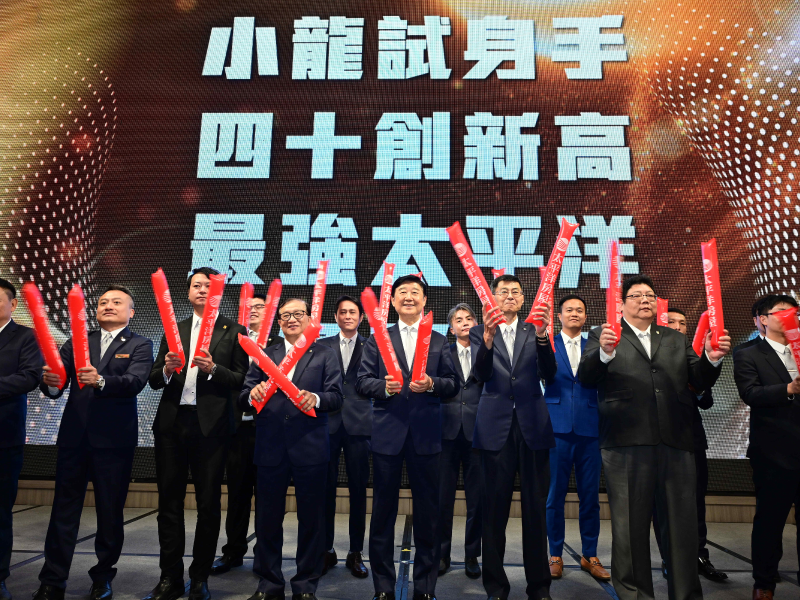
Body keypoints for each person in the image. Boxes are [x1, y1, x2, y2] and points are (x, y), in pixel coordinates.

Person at [578, 274, 730, 600]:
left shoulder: (674, 338)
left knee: (681, 527)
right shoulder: (604, 334)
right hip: (625, 442)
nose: (644, 300)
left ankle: (685, 594)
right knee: (629, 527)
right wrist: (604, 353)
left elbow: (698, 379)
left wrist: (712, 358)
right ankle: (635, 594)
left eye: (649, 295)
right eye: (636, 295)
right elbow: (586, 377)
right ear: (621, 304)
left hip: (676, 440)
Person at [33, 286, 153, 600]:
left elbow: (135, 382)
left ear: (131, 312)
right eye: (102, 302)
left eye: (117, 302)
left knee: (109, 513)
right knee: (63, 511)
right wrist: (51, 383)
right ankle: (52, 580)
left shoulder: (140, 344)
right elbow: (57, 385)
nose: (108, 306)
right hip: (74, 439)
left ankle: (103, 577)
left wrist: (100, 381)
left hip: (114, 442)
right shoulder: (78, 341)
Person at [145, 267, 249, 600]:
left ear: (219, 292)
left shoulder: (234, 331)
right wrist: (166, 368)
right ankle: (169, 578)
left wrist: (214, 369)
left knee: (208, 504)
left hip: (211, 428)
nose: (202, 290)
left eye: (209, 285)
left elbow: (241, 379)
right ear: (188, 292)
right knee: (169, 503)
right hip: (172, 425)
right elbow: (154, 379)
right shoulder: (175, 328)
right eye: (196, 285)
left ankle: (200, 578)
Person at [357, 275, 458, 600]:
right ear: (392, 300)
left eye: (415, 292)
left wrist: (431, 384)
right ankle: (383, 588)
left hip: (427, 436)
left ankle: (425, 588)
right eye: (402, 292)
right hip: (388, 435)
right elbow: (362, 381)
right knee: (382, 514)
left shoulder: (439, 340)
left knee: (428, 515)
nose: (409, 297)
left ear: (425, 300)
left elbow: (452, 383)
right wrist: (384, 388)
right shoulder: (379, 338)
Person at [241, 298, 342, 600]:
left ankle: (306, 585)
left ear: (309, 319)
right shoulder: (265, 353)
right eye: (285, 315)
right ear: (278, 321)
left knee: (311, 519)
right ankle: (269, 584)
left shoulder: (325, 353)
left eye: (298, 314)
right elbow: (244, 393)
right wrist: (252, 394)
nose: (291, 319)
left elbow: (336, 396)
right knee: (267, 518)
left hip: (310, 445)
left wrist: (317, 399)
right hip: (270, 445)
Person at [469, 274, 557, 600]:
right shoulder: (479, 331)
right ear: (492, 298)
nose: (509, 296)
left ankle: (540, 587)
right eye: (503, 291)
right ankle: (496, 587)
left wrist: (544, 336)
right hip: (495, 430)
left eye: (515, 292)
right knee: (493, 513)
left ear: (523, 299)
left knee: (536, 512)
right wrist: (488, 339)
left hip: (533, 427)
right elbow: (479, 375)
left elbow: (550, 373)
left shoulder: (535, 330)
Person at [651, 308, 728, 583]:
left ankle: (699, 556)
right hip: (657, 441)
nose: (677, 326)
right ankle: (669, 558)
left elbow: (706, 401)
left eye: (682, 323)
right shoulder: (651, 356)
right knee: (662, 505)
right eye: (671, 321)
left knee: (695, 502)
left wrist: (699, 384)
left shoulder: (693, 357)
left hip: (691, 439)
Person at [733, 294, 800, 600]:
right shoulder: (748, 354)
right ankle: (764, 583)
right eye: (781, 312)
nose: (790, 317)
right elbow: (751, 393)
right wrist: (788, 388)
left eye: (793, 312)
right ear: (762, 319)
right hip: (774, 453)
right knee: (770, 522)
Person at [544, 294, 609, 581]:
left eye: (579, 310)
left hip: (589, 427)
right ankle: (555, 554)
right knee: (554, 496)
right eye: (569, 310)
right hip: (556, 428)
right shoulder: (547, 343)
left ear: (585, 317)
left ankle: (589, 554)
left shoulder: (595, 345)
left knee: (590, 496)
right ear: (559, 316)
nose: (574, 314)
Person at [211, 293, 274, 575]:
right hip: (237, 427)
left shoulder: (280, 343)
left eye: (260, 307)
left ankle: (265, 554)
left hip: (268, 428)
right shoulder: (231, 341)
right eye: (249, 308)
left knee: (267, 495)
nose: (254, 311)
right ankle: (233, 552)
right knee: (237, 494)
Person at [318, 296, 371, 578]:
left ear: (361, 317)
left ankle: (355, 552)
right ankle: (326, 550)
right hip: (327, 422)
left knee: (358, 491)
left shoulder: (373, 345)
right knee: (324, 489)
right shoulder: (322, 345)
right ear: (336, 317)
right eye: (342, 312)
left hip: (360, 425)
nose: (347, 316)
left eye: (353, 312)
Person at [0, 278, 42, 600]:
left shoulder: (26, 336)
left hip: (4, 438)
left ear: (13, 304)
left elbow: (29, 377)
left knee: (0, 512)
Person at [438, 303, 482, 579]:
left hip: (479, 432)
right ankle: (442, 553)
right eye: (458, 320)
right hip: (446, 432)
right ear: (451, 328)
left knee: (477, 499)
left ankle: (471, 554)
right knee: (443, 497)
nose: (464, 323)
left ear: (476, 324)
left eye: (469, 318)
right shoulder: (442, 353)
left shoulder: (487, 352)